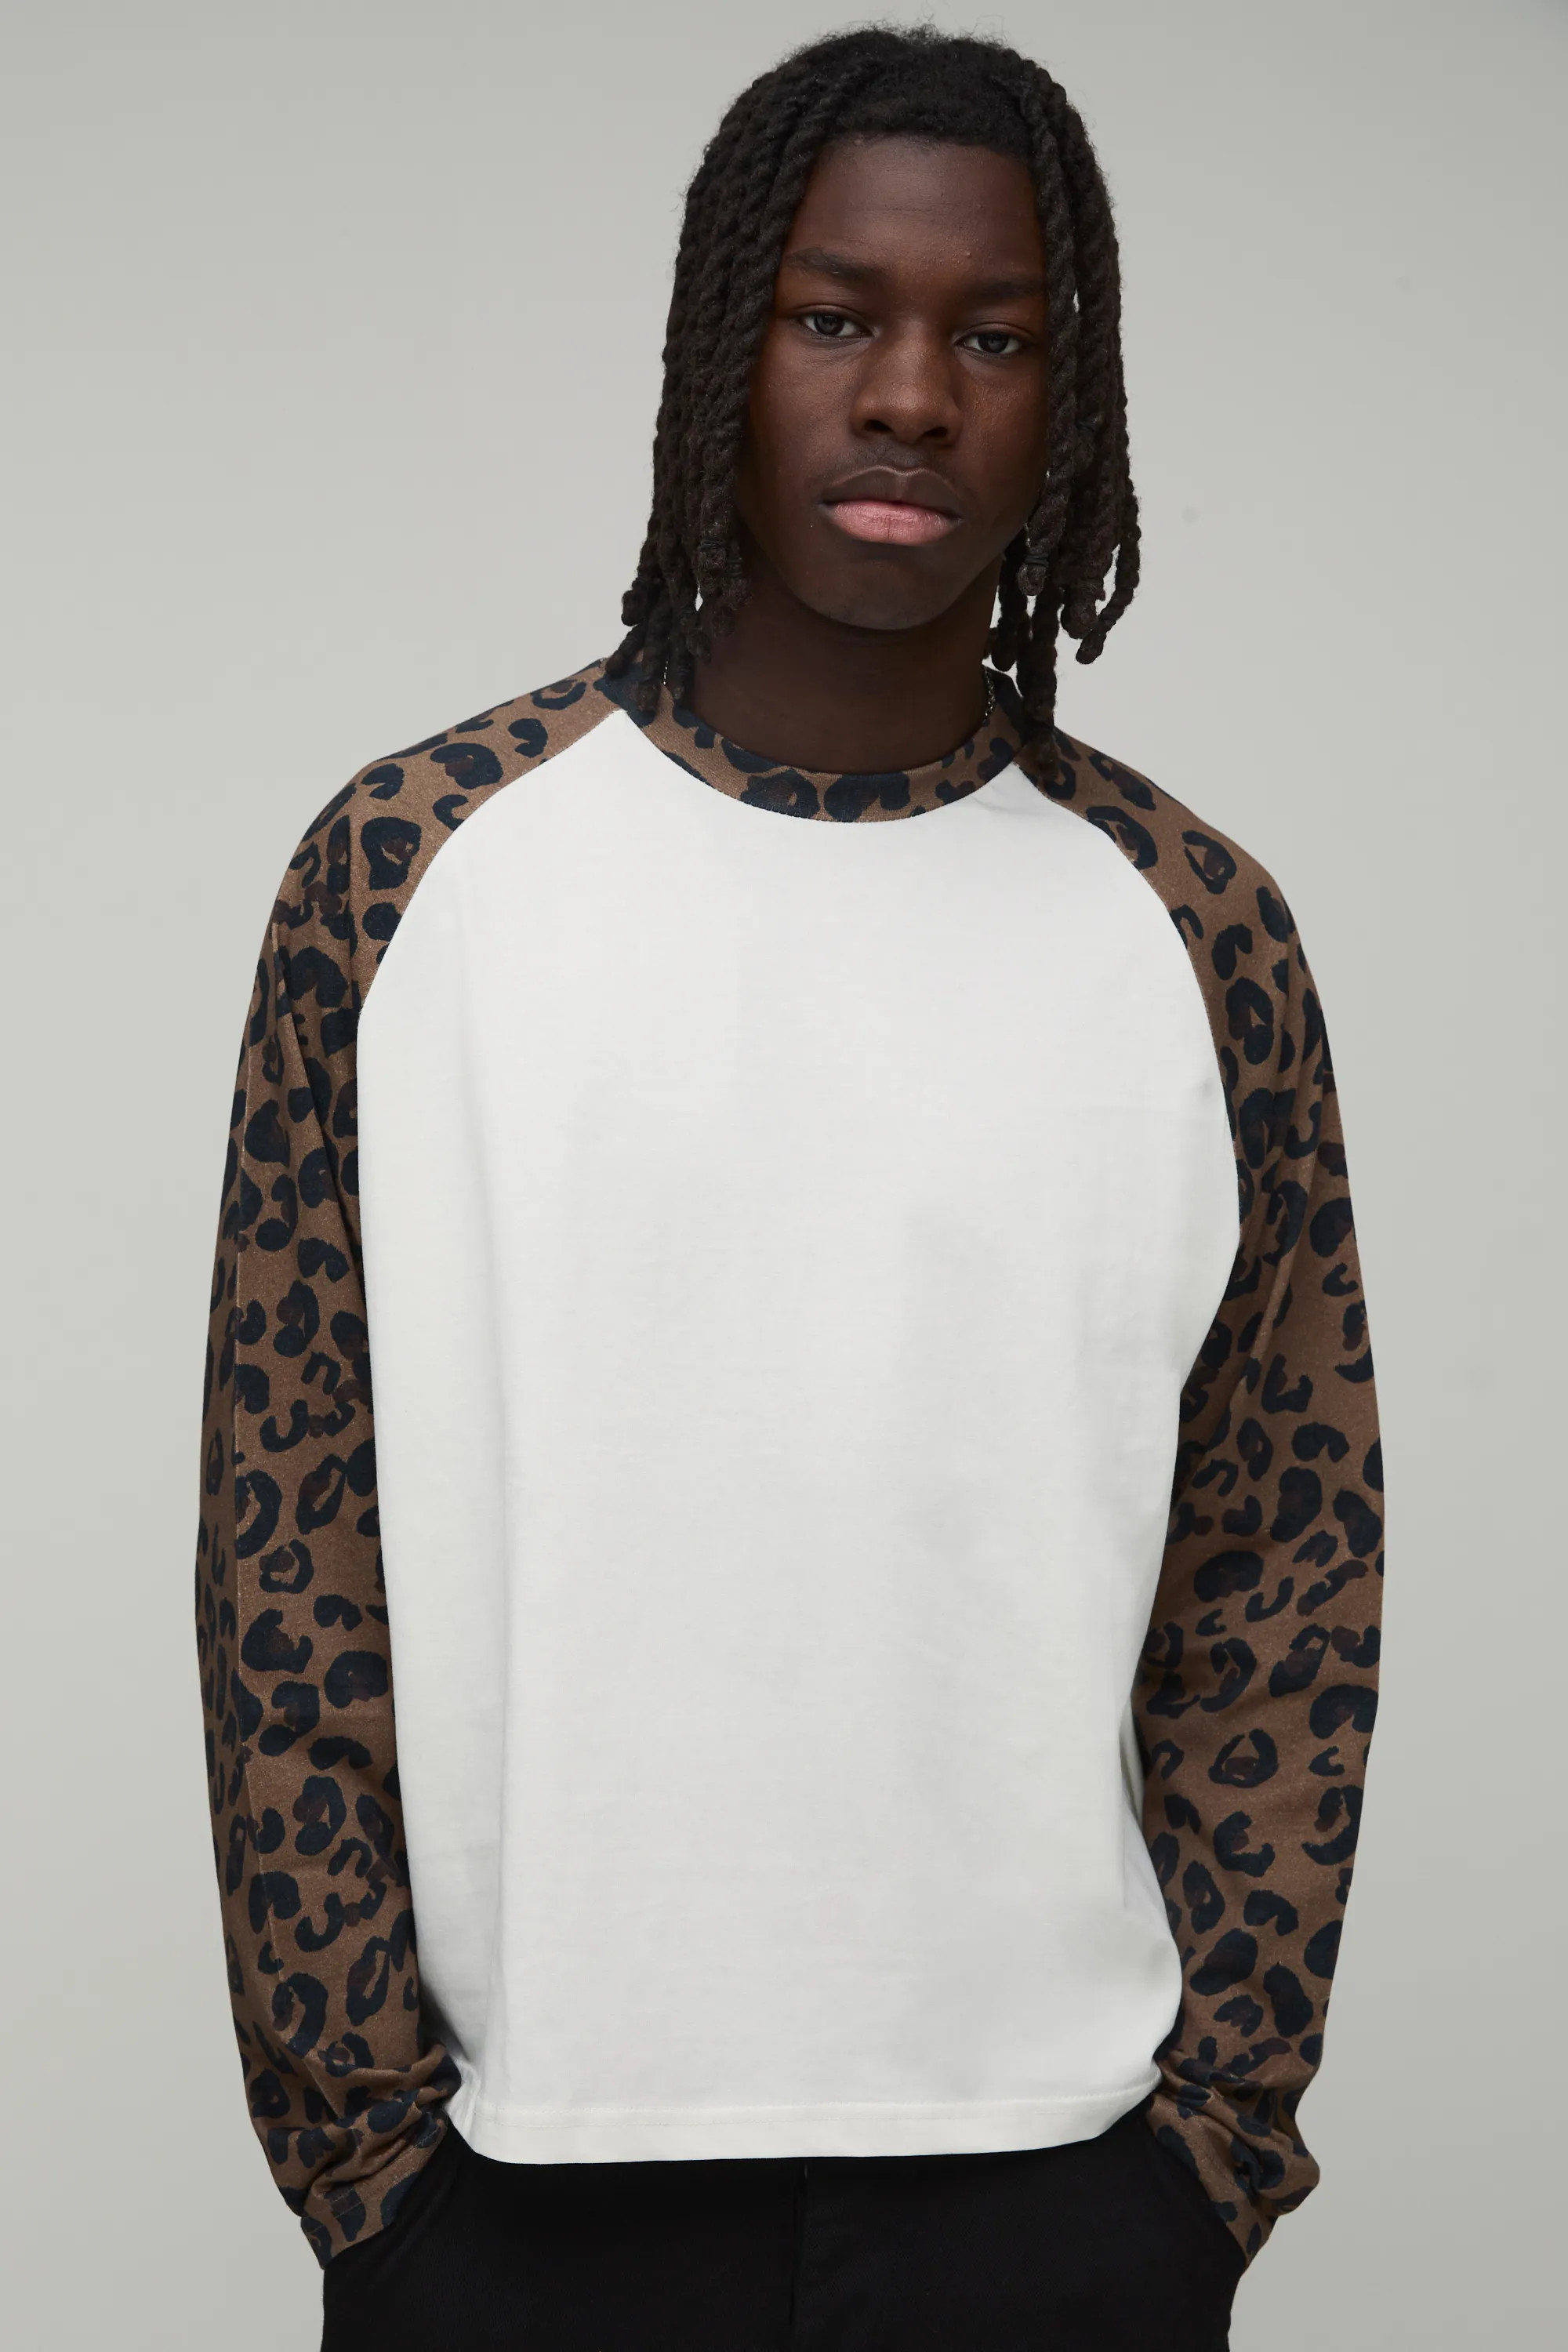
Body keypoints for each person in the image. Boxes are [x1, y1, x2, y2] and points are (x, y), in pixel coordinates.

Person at [193, 26, 1382, 2350]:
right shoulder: (414, 873)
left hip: (1061, 2205)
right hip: (516, 2204)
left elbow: (1287, 1559)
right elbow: (286, 1539)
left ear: (1070, 399)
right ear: (718, 355)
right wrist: (364, 2161)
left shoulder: (1195, 926)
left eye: (996, 337)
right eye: (836, 314)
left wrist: (1215, 2146)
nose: (913, 395)